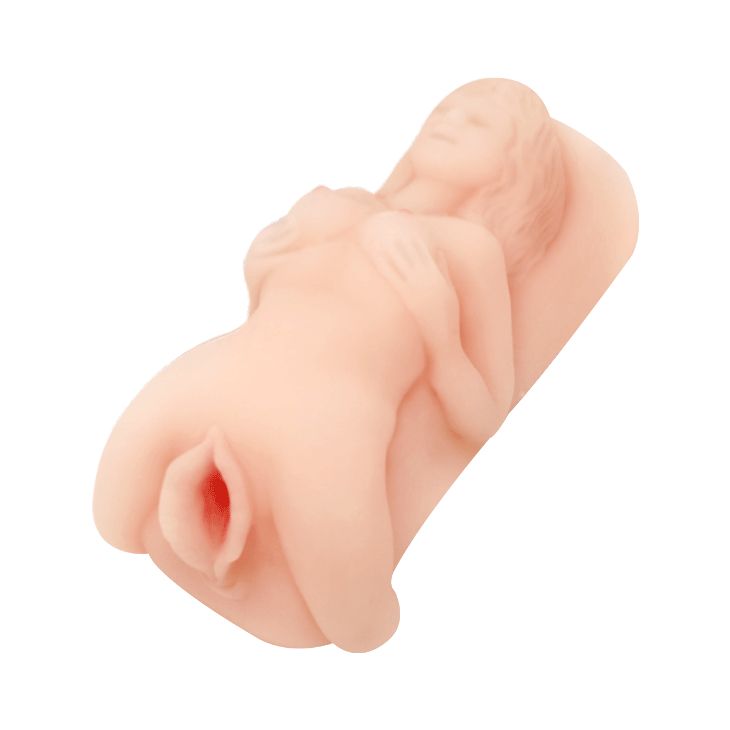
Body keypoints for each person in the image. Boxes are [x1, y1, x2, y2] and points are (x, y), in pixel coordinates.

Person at [93, 79, 567, 652]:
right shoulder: (336, 202)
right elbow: (272, 308)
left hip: (327, 428)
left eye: (478, 123)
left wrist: (439, 326)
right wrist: (258, 267)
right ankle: (219, 541)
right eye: (445, 108)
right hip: (218, 371)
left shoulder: (467, 249)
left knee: (361, 629)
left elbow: (483, 415)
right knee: (112, 523)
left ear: (512, 167)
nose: (449, 120)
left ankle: (252, 564)